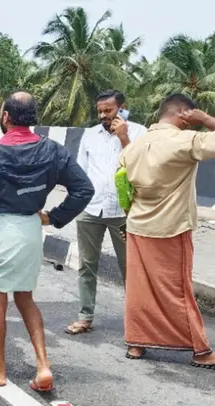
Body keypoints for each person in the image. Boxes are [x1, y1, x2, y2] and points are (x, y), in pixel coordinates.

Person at [0, 91, 94, 390]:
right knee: (25, 298)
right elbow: (84, 190)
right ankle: (43, 366)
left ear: (5, 116)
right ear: (32, 117)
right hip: (31, 231)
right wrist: (53, 217)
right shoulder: (54, 151)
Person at [120, 94, 215, 372]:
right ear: (183, 114)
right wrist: (205, 120)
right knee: (178, 290)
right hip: (170, 227)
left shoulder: (133, 145)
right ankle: (200, 350)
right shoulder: (183, 141)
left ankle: (137, 342)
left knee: (140, 289)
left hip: (138, 224)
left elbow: (124, 185)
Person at [66, 90, 147, 335]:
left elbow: (141, 167)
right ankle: (85, 316)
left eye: (108, 110)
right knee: (87, 265)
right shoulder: (90, 135)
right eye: (100, 110)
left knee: (130, 268)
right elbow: (80, 171)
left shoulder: (139, 133)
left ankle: (136, 323)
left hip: (124, 212)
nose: (103, 115)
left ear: (122, 108)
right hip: (91, 208)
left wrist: (124, 139)